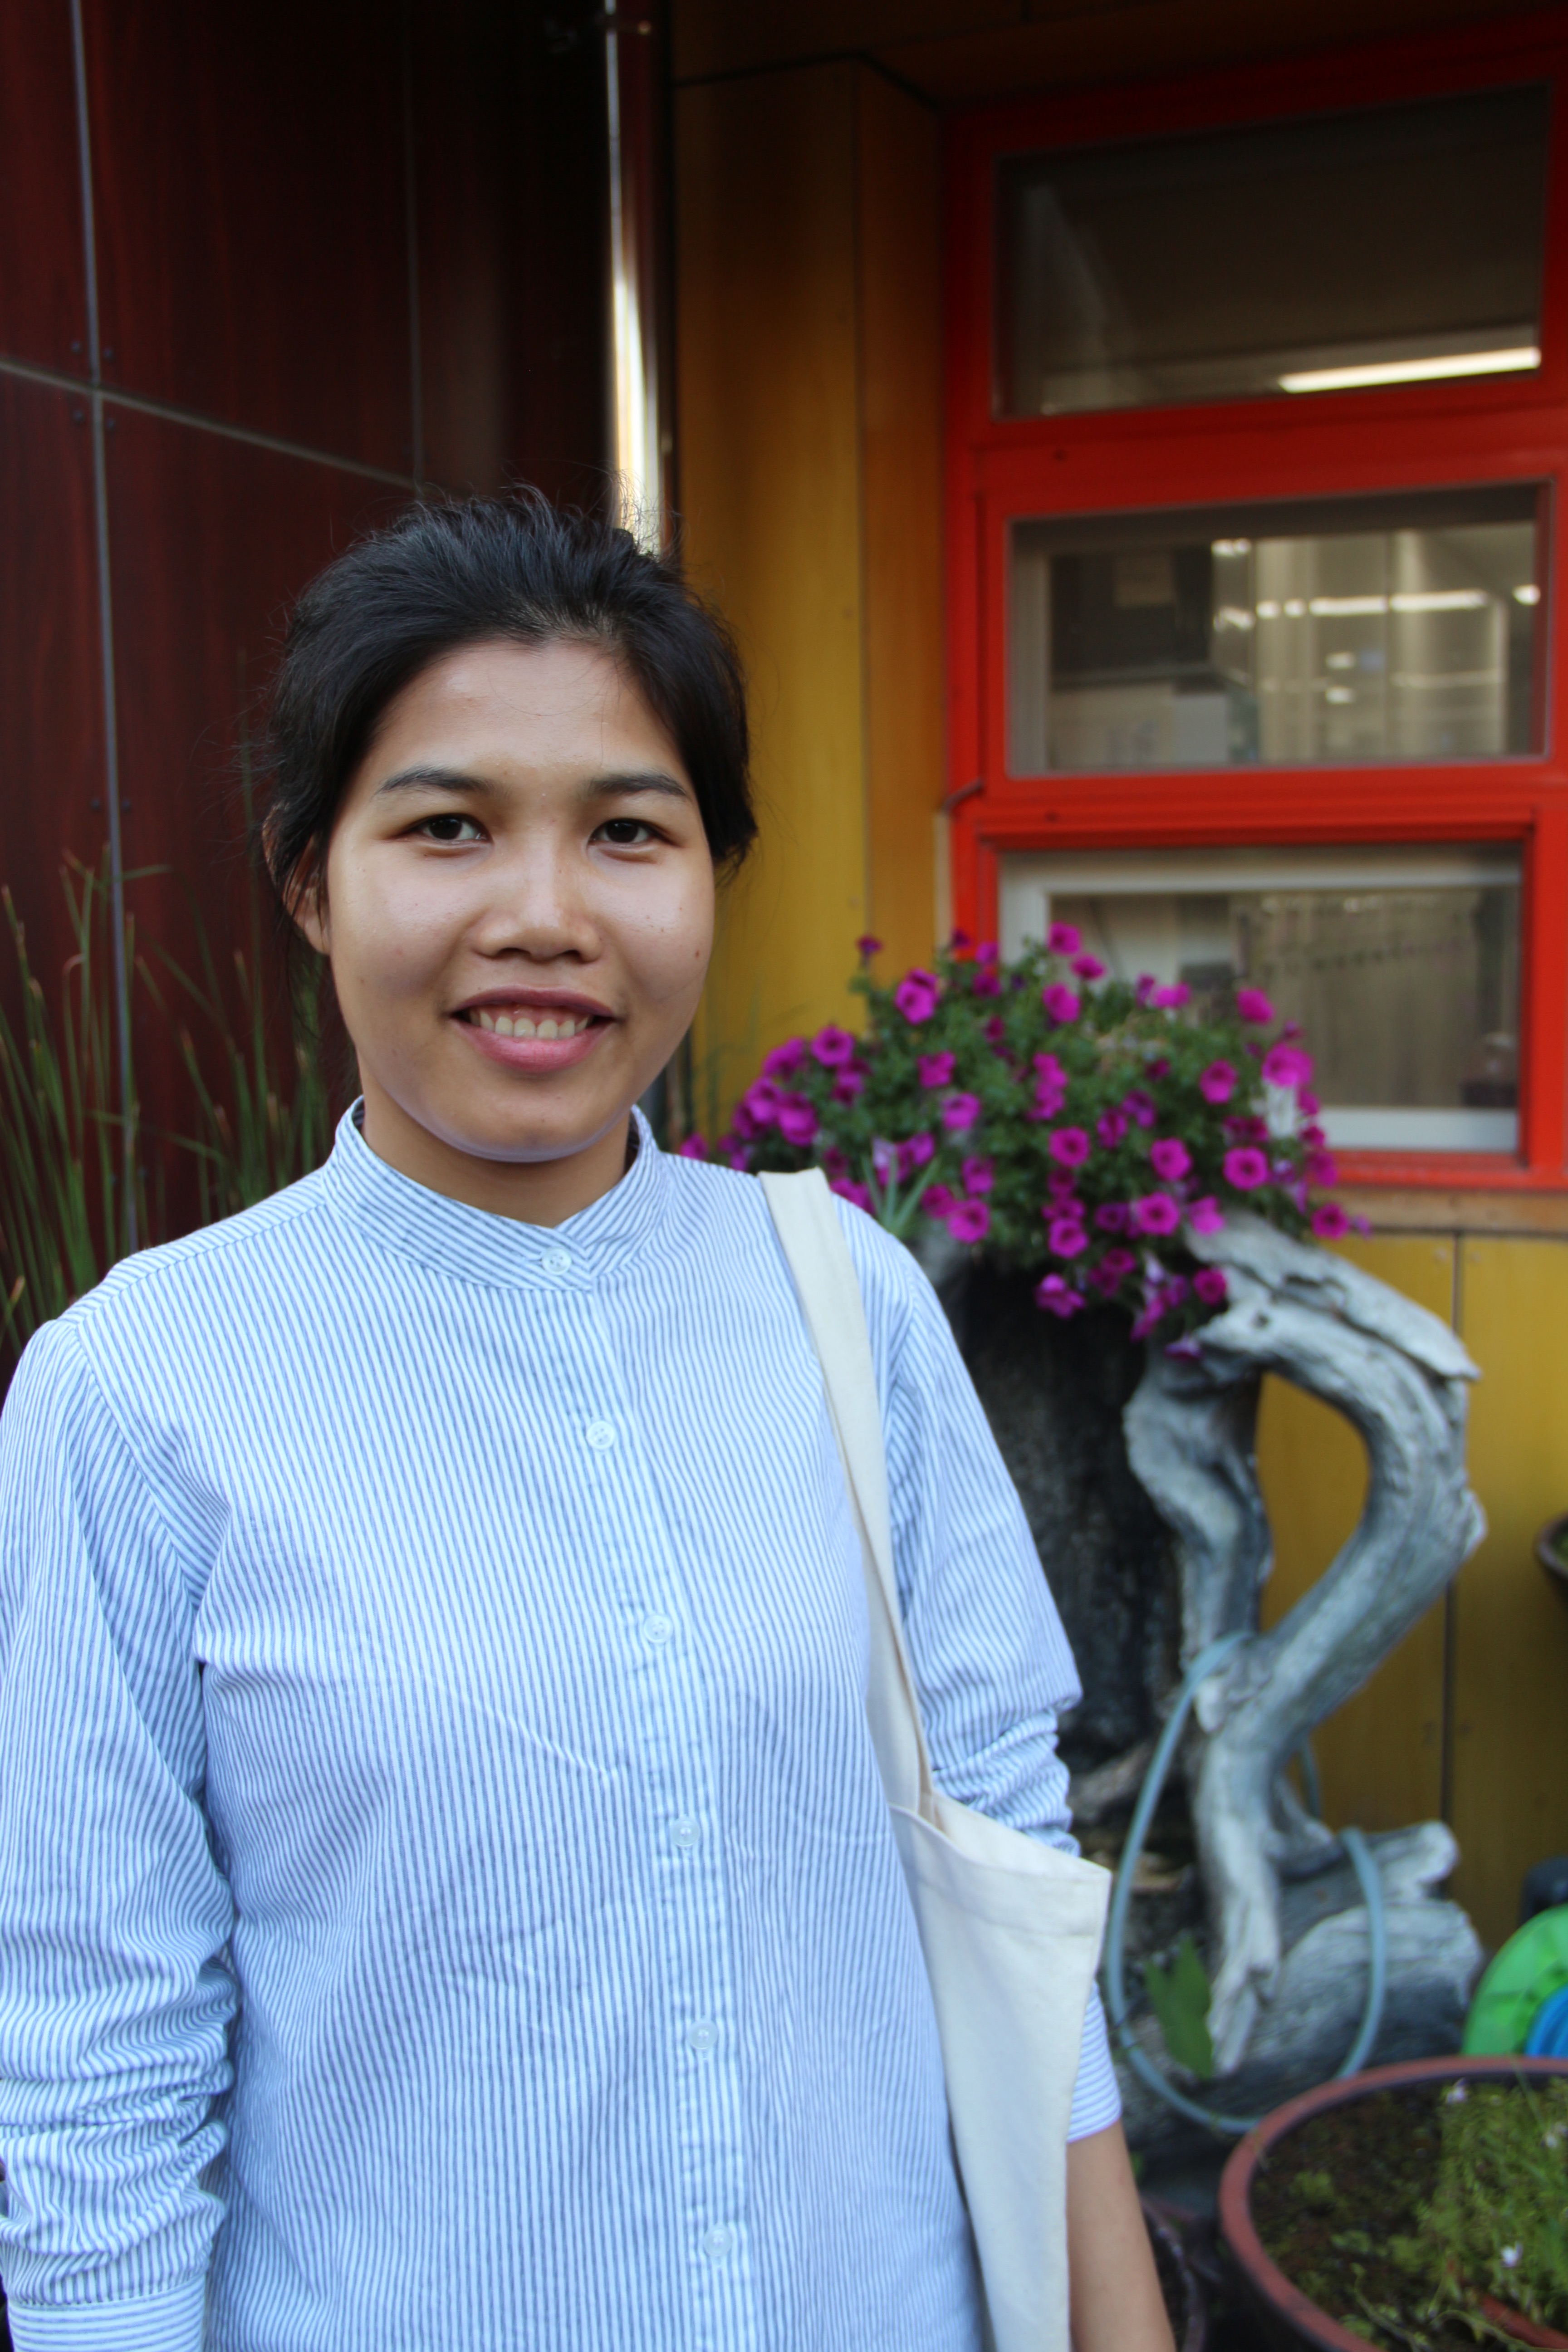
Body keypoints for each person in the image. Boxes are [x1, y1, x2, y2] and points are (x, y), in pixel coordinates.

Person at [0, 495, 1171, 2352]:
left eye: (629, 830)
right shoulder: (139, 1391)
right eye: (446, 826)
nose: (544, 918)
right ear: (310, 880)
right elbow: (96, 2072)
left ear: (711, 874)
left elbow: (1008, 1884)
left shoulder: (840, 1298)